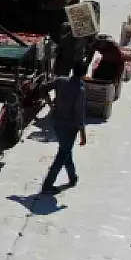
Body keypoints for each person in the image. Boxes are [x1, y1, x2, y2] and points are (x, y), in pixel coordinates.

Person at [40, 61, 88, 194]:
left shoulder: (61, 80)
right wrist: (83, 133)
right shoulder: (80, 89)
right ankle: (48, 184)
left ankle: (72, 178)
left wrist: (50, 104)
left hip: (56, 122)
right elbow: (79, 113)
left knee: (66, 151)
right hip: (70, 127)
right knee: (63, 154)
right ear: (84, 74)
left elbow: (43, 88)